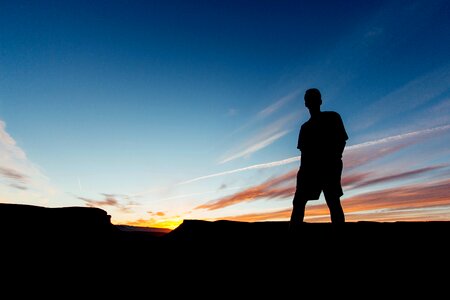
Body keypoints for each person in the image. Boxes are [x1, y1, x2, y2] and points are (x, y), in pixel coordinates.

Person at [289, 88, 348, 233]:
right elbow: (304, 154)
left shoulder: (333, 117)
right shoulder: (305, 128)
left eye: (314, 98)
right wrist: (301, 174)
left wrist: (334, 159)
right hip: (308, 171)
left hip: (330, 168)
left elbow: (341, 140)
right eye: (308, 98)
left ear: (320, 101)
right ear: (305, 103)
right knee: (298, 203)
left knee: (333, 200)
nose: (311, 101)